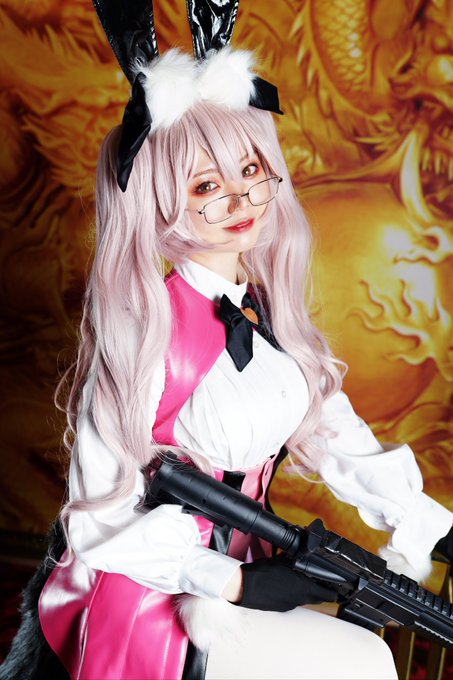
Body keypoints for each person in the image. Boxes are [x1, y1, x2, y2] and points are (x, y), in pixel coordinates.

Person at [3, 3, 453, 679]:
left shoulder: (270, 321)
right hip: (155, 593)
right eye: (206, 185)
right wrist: (230, 581)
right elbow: (95, 525)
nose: (239, 200)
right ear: (160, 199)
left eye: (250, 171)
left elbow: (336, 435)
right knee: (361, 664)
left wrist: (425, 521)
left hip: (254, 572)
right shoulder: (145, 336)